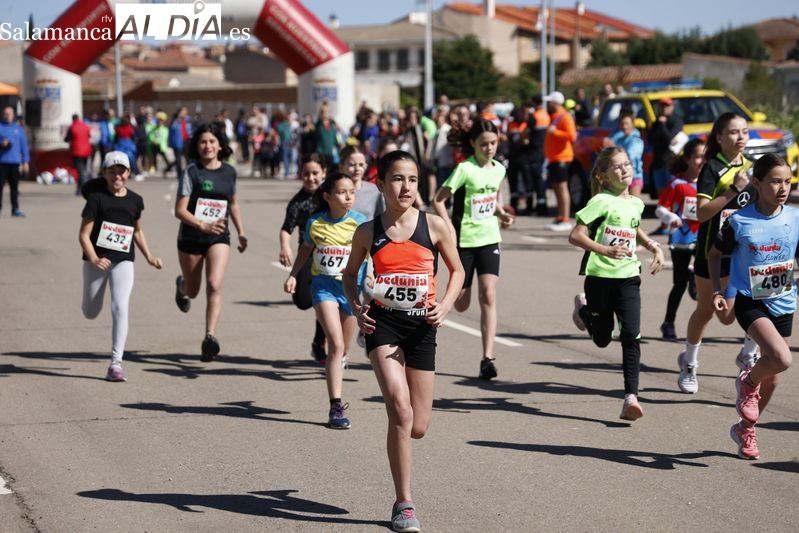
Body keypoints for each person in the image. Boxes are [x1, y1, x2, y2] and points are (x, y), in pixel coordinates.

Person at [342, 150, 464, 533]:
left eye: (412, 179)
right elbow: (349, 275)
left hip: (423, 327)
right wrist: (357, 306)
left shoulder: (436, 227)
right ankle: (404, 503)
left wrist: (444, 306)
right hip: (384, 326)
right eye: (397, 179)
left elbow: (457, 269)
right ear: (381, 185)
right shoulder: (368, 232)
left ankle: (404, 443)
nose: (406, 186)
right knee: (400, 409)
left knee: (419, 425)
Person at [709, 154, 797, 460]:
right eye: (775, 181)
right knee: (782, 359)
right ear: (757, 183)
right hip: (750, 301)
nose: (782, 187)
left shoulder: (794, 217)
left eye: (787, 181)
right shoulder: (740, 220)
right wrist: (719, 290)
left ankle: (745, 428)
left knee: (772, 376)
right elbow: (714, 253)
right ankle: (746, 380)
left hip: (784, 301)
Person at [569, 147, 665, 421]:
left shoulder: (636, 202)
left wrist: (654, 247)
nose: (624, 170)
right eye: (617, 167)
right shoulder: (600, 201)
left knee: (631, 335)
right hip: (599, 278)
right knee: (601, 339)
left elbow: (633, 227)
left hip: (628, 277)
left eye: (627, 165)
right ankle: (583, 309)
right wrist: (604, 250)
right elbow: (575, 236)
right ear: (603, 175)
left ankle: (630, 397)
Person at [676, 112, 757, 394]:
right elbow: (702, 213)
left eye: (745, 131)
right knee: (709, 310)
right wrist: (735, 189)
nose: (741, 137)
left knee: (750, 306)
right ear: (720, 137)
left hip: (743, 252)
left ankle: (748, 353)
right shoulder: (712, 168)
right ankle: (689, 362)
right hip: (713, 251)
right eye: (734, 132)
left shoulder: (752, 165)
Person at [432, 119, 515, 380]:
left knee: (488, 295)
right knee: (462, 303)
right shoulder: (464, 169)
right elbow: (438, 200)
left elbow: (492, 197)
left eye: (493, 143)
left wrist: (502, 214)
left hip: (490, 238)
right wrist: (449, 229)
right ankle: (457, 294)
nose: (489, 148)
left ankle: (487, 358)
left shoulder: (499, 169)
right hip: (464, 242)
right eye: (484, 144)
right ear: (472, 144)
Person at [284, 171, 367, 429]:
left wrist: (374, 275)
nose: (348, 197)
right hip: (323, 287)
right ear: (328, 197)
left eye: (352, 192)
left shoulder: (361, 223)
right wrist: (293, 275)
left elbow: (372, 253)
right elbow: (305, 251)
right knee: (336, 344)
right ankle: (336, 406)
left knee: (344, 349)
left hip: (351, 291)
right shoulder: (315, 223)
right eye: (342, 192)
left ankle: (338, 366)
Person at [79, 151, 163, 381]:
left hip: (123, 260)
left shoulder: (135, 200)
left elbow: (137, 230)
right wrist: (95, 259)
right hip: (96, 261)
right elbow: (84, 235)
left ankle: (116, 363)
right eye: (112, 171)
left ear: (128, 173)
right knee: (90, 311)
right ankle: (91, 305)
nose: (117, 176)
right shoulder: (96, 199)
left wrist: (149, 256)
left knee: (120, 307)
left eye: (121, 171)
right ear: (105, 173)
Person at [173, 122, 248, 361]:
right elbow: (179, 210)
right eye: (203, 142)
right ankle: (182, 286)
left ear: (220, 145)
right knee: (193, 291)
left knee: (214, 284)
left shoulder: (229, 172)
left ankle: (209, 337)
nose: (208, 146)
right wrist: (202, 225)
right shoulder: (191, 172)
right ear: (197, 145)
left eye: (212, 142)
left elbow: (233, 203)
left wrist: (241, 231)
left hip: (219, 236)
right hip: (192, 237)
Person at [279, 153, 328, 363]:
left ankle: (320, 342)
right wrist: (285, 247)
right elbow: (286, 228)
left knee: (324, 300)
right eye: (306, 174)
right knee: (303, 301)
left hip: (330, 254)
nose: (311, 178)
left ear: (324, 173)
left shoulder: (330, 195)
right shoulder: (297, 202)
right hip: (306, 253)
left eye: (315, 173)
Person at [654, 138, 705, 340]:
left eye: (705, 156)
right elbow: (660, 208)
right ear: (687, 159)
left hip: (704, 239)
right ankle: (668, 322)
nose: (702, 161)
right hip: (681, 239)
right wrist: (671, 217)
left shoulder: (710, 183)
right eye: (698, 156)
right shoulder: (677, 184)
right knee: (679, 284)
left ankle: (695, 278)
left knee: (707, 276)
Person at [542, 91, 577, 231]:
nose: (548, 104)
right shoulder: (554, 116)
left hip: (563, 157)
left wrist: (555, 132)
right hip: (554, 158)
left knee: (562, 187)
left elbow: (571, 135)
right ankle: (560, 216)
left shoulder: (565, 116)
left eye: (550, 102)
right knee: (556, 187)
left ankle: (566, 218)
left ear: (556, 103)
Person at [648, 97, 684, 201]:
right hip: (658, 162)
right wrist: (660, 125)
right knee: (661, 194)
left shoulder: (676, 121)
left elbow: (669, 138)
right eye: (662, 106)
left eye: (667, 106)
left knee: (673, 191)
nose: (664, 108)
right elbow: (651, 140)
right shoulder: (656, 123)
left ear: (672, 107)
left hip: (671, 162)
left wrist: (663, 125)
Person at [602, 110, 644, 197]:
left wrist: (613, 146)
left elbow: (628, 157)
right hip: (619, 178)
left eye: (627, 123)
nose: (624, 126)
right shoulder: (618, 138)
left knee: (634, 207)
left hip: (634, 178)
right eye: (622, 124)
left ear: (632, 124)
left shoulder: (637, 141)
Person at [0, 105, 30, 217]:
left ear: (13, 115)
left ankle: (15, 208)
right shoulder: (0, 127)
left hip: (14, 162)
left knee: (14, 187)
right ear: (3, 115)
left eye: (10, 114)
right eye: (6, 114)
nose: (8, 116)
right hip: (2, 162)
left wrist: (25, 161)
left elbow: (24, 146)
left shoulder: (19, 129)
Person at [65, 113, 92, 193]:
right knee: (82, 170)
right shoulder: (85, 126)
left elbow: (67, 139)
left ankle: (84, 188)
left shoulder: (72, 127)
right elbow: (89, 136)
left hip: (77, 152)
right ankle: (78, 189)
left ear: (73, 119)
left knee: (80, 171)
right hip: (86, 151)